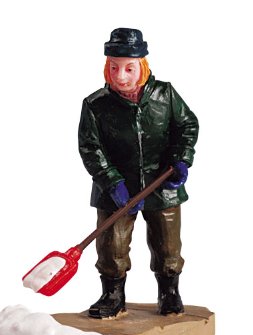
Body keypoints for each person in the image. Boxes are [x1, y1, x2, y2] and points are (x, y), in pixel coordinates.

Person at [78, 28, 199, 319]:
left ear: (142, 65)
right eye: (114, 67)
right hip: (115, 190)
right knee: (112, 245)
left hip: (163, 184)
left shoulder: (165, 95)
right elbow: (90, 147)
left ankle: (169, 291)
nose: (121, 76)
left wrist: (181, 159)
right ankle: (112, 294)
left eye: (128, 68)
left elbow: (187, 126)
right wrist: (112, 182)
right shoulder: (95, 105)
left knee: (168, 244)